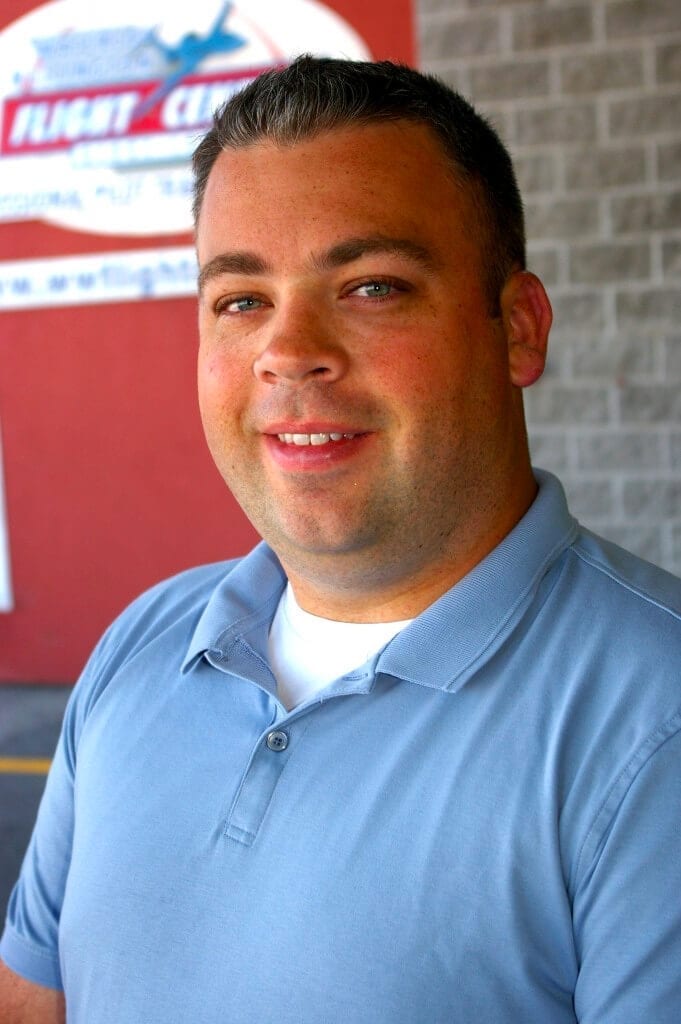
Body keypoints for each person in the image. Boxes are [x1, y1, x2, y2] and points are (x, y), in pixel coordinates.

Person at [1, 56, 680, 1024]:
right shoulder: (144, 641)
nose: (287, 350)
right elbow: (35, 997)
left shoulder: (656, 718)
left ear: (518, 329)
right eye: (241, 300)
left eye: (371, 287)